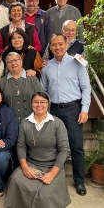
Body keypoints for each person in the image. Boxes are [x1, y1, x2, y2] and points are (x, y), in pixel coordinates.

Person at [41, 33, 91, 196]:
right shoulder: (47, 67)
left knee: (76, 146)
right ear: (51, 47)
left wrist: (84, 110)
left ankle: (79, 180)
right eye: (54, 45)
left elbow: (86, 88)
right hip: (53, 109)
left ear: (66, 44)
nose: (57, 47)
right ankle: (55, 177)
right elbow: (43, 90)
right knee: (53, 145)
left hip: (73, 109)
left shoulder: (77, 63)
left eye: (60, 44)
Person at [4, 92, 71, 208]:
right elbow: (21, 146)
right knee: (15, 180)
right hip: (32, 163)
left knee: (44, 194)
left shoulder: (58, 123)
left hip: (53, 165)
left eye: (43, 102)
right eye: (36, 102)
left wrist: (52, 174)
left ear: (48, 104)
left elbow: (64, 150)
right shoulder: (25, 123)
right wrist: (25, 167)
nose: (39, 105)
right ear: (31, 104)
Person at [0, 52, 43, 124]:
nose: (13, 63)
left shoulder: (32, 79)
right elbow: (0, 104)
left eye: (15, 60)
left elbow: (42, 99)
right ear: (6, 65)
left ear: (21, 61)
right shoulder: (3, 82)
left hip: (31, 122)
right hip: (10, 123)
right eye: (9, 62)